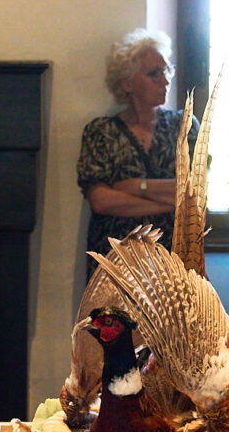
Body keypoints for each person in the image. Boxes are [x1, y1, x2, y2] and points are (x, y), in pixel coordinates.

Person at [76, 29, 197, 275]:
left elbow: (192, 193)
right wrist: (168, 204)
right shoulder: (101, 132)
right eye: (154, 73)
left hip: (171, 266)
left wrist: (134, 187)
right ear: (127, 83)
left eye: (166, 71)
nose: (164, 80)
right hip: (115, 266)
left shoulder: (183, 126)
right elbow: (101, 201)